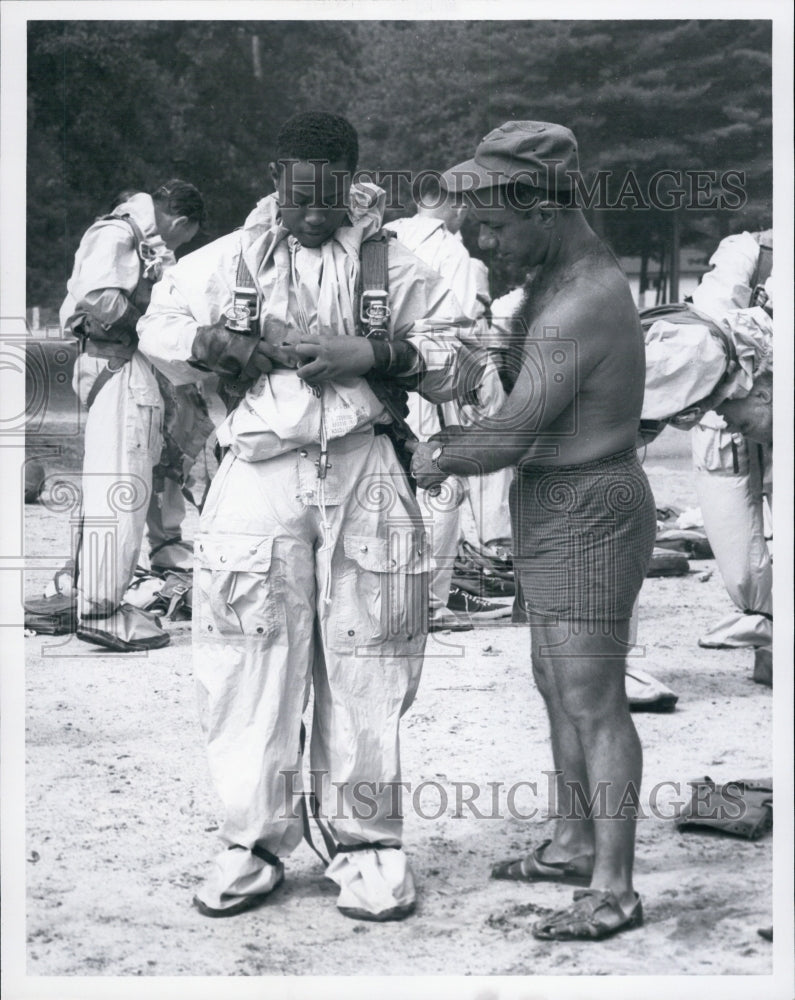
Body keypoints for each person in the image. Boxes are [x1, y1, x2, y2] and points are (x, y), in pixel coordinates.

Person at [137, 112, 473, 921]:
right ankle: (251, 841)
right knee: (245, 654)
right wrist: (231, 346)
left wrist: (376, 354)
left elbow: (460, 358)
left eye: (328, 200)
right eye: (296, 197)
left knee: (372, 655)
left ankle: (366, 845)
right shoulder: (227, 259)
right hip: (258, 473)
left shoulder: (405, 262)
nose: (311, 217)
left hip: (365, 466)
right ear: (276, 176)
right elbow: (158, 328)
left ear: (354, 182)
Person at [411, 121, 656, 940]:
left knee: (593, 699)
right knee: (556, 685)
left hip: (588, 505)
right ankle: (570, 841)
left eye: (495, 226)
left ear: (544, 211)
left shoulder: (579, 302)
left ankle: (614, 887)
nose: (482, 243)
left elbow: (511, 433)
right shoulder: (558, 278)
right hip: (559, 502)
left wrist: (436, 455)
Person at [61, 181, 205, 651]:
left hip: (125, 364)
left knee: (125, 478)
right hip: (119, 364)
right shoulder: (119, 233)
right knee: (121, 483)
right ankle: (101, 609)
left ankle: (97, 596)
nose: (179, 246)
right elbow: (99, 301)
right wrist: (157, 323)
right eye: (185, 238)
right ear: (180, 223)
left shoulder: (134, 237)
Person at [385, 173, 510, 627]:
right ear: (455, 206)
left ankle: (397, 597)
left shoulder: (390, 233)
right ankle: (430, 605)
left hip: (385, 377)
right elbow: (455, 325)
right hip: (431, 379)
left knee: (394, 492)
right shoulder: (452, 250)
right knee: (443, 488)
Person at [688, 233, 773, 673]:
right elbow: (712, 322)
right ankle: (764, 623)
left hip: (776, 404)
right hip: (729, 406)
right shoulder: (747, 250)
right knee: (736, 547)